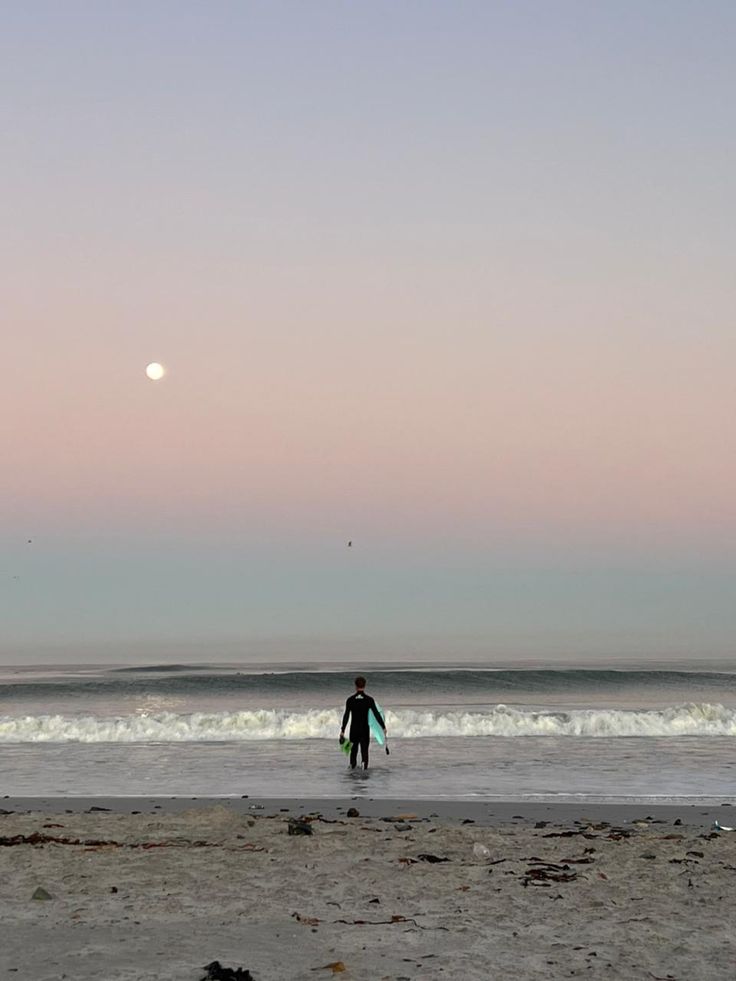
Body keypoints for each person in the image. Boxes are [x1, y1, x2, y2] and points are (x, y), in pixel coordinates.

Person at [339, 676, 386, 770]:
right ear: (364, 686)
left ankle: (352, 772)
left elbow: (346, 716)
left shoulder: (350, 700)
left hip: (354, 730)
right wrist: (383, 727)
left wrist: (342, 730)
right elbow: (376, 714)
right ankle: (365, 773)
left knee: (353, 752)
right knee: (364, 752)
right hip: (364, 730)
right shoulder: (369, 700)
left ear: (355, 686)